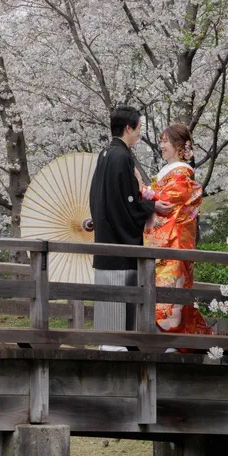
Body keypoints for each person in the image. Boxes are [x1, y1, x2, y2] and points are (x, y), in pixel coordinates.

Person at [88, 106, 170, 350]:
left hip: (105, 238)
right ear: (128, 128)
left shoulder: (105, 153)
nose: (139, 134)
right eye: (139, 129)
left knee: (108, 299)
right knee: (121, 293)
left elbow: (102, 197)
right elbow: (127, 202)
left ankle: (109, 341)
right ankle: (118, 343)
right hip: (119, 244)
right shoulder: (121, 157)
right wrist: (151, 207)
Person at [142, 123, 211, 338]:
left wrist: (141, 188)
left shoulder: (181, 175)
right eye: (161, 141)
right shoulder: (171, 175)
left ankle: (173, 339)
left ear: (179, 146)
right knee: (162, 292)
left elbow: (167, 205)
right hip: (167, 242)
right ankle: (170, 338)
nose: (161, 146)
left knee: (171, 294)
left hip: (174, 242)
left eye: (165, 141)